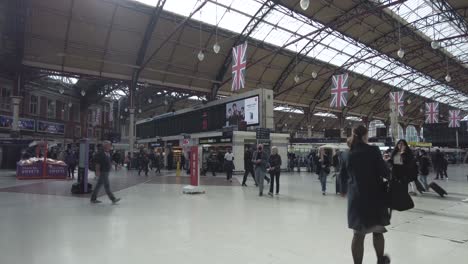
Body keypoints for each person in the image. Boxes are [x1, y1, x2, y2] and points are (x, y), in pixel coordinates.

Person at [340, 125, 391, 264]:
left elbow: (342, 176)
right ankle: (380, 260)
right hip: (375, 197)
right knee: (378, 231)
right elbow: (384, 171)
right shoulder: (373, 150)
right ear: (365, 135)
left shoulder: (345, 154)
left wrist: (343, 190)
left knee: (358, 234)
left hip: (356, 199)